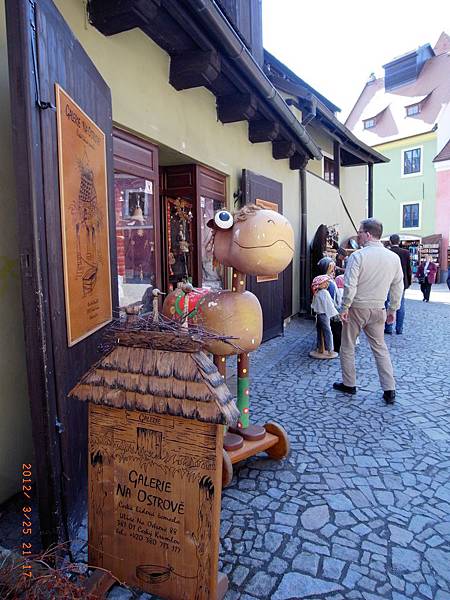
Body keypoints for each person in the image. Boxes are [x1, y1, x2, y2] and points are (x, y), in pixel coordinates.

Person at [333, 218, 404, 404]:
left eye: (360, 231)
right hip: (379, 308)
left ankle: (349, 384)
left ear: (368, 234)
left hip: (357, 307)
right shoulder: (393, 258)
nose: (358, 234)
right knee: (380, 349)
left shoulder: (358, 256)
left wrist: (345, 307)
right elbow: (398, 287)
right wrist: (393, 309)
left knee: (347, 346)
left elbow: (350, 285)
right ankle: (390, 389)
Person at [384, 234, 412, 335]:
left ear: (390, 242)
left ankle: (388, 327)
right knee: (400, 304)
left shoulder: (387, 252)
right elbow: (409, 269)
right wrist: (408, 282)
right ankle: (399, 329)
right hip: (401, 282)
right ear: (399, 241)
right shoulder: (405, 252)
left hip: (387, 281)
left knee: (387, 303)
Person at [309, 275, 338, 359]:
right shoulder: (325, 293)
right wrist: (334, 313)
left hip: (318, 314)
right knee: (327, 331)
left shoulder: (316, 292)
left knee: (319, 331)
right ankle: (330, 349)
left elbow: (313, 305)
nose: (327, 284)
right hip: (324, 314)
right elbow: (329, 305)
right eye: (326, 282)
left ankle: (320, 347)